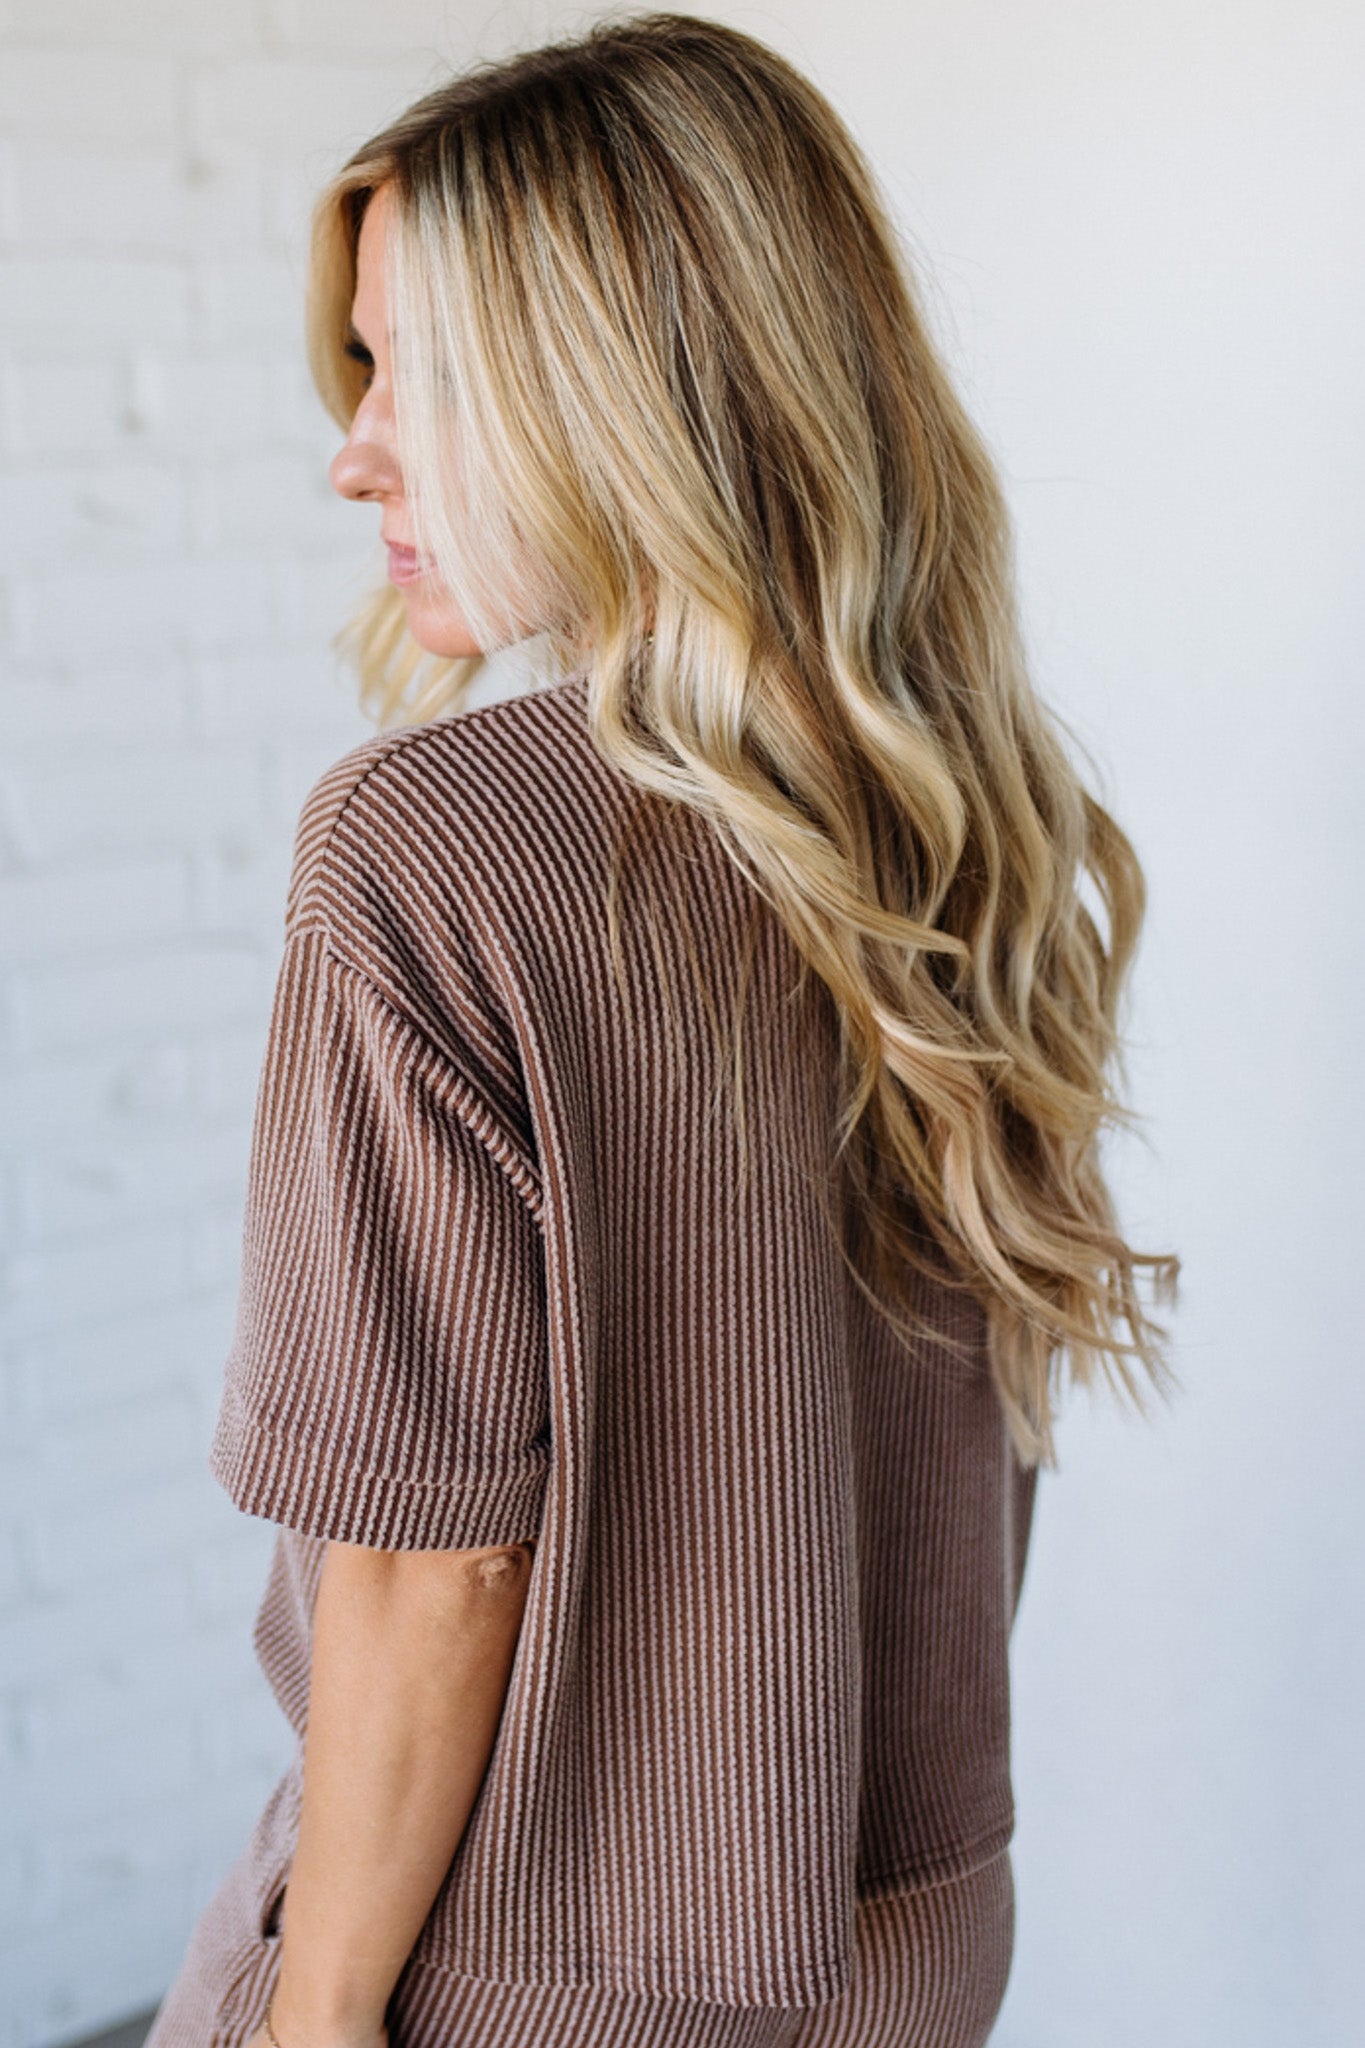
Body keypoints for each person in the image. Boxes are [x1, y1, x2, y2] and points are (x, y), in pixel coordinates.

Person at [143, 13, 1180, 2048]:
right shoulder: (959, 820)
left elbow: (429, 1562)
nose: (352, 444)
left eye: (410, 370)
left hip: (527, 1969)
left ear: (615, 392)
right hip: (911, 1940)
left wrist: (315, 2014)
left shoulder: (426, 845)